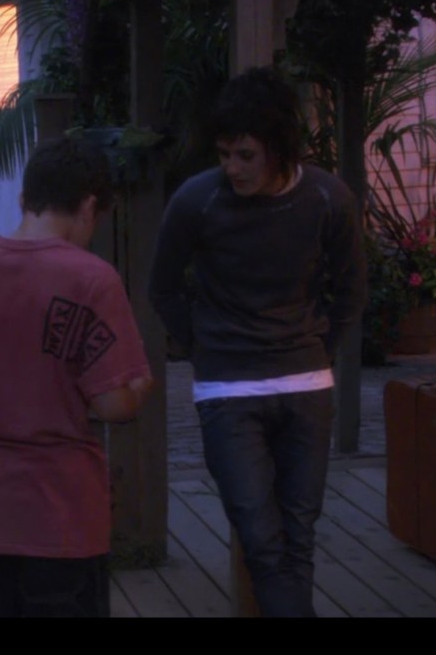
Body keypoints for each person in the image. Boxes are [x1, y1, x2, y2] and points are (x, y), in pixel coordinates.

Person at [148, 66, 366, 617]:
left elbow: (351, 290)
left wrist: (320, 347)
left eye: (245, 154)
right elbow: (163, 288)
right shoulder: (198, 201)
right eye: (224, 154)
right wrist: (206, 346)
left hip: (306, 383)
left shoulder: (326, 197)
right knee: (261, 536)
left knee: (298, 534)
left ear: (277, 147)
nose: (233, 167)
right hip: (228, 388)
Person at [0, 137, 153, 617]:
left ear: (25, 199)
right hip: (62, 517)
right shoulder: (91, 278)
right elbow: (112, 404)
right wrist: (140, 387)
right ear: (88, 207)